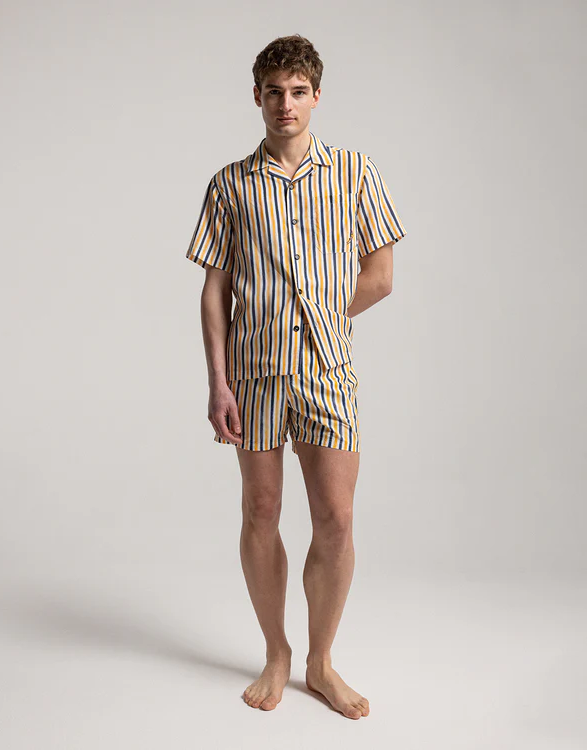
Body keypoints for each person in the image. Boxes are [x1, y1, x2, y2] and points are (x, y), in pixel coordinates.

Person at [185, 34, 406, 719]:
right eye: (275, 92)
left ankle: (321, 660)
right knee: (260, 510)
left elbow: (381, 275)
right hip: (252, 375)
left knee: (336, 518)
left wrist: (318, 318)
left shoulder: (356, 173)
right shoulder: (229, 184)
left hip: (326, 370)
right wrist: (217, 381)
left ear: (317, 97)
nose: (287, 104)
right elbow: (214, 290)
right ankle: (276, 652)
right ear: (257, 97)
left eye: (299, 92)